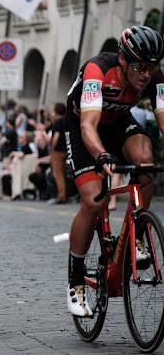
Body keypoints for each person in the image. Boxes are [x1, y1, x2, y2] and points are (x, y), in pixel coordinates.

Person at [65, 25, 164, 316]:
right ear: (123, 59)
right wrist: (102, 155)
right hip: (85, 125)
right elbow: (88, 125)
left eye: (152, 67)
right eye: (139, 66)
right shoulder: (98, 69)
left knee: (145, 157)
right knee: (93, 201)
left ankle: (137, 236)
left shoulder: (155, 79)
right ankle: (76, 280)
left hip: (118, 121)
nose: (146, 74)